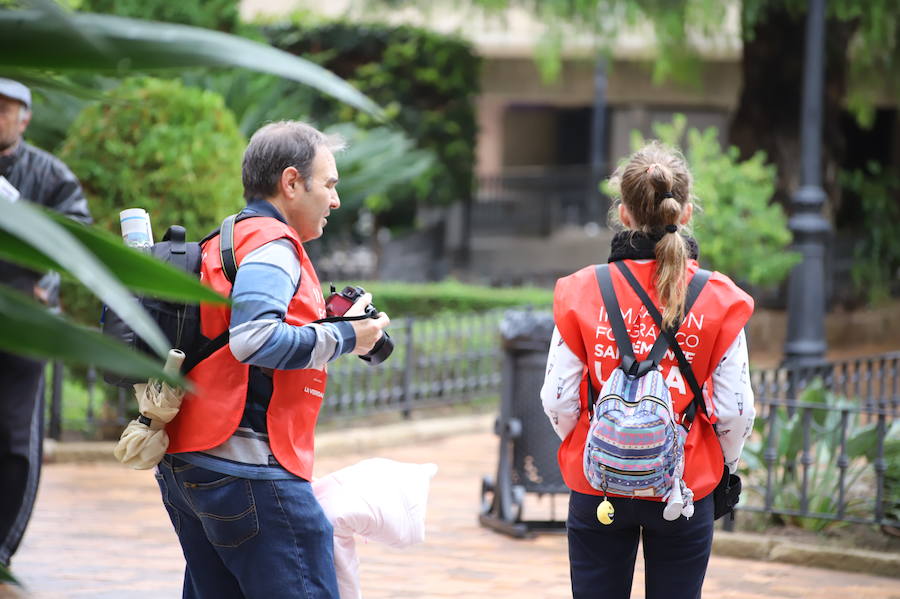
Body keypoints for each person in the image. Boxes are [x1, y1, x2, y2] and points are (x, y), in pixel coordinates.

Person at [154, 121, 390, 598]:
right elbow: (254, 339)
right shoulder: (273, 246)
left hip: (189, 460)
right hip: (248, 468)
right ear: (290, 182)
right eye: (329, 184)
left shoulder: (221, 242)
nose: (335, 200)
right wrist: (348, 337)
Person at [541, 141, 755, 599]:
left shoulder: (582, 290)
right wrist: (725, 466)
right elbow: (736, 411)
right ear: (687, 210)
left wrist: (599, 444)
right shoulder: (719, 297)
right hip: (686, 484)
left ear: (624, 214)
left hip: (598, 485)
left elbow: (558, 398)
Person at [0, 78, 91, 567]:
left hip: (25, 325)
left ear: (24, 117)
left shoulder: (50, 174)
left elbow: (76, 238)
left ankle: (3, 548)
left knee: (16, 440)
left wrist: (47, 285)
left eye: (4, 108)